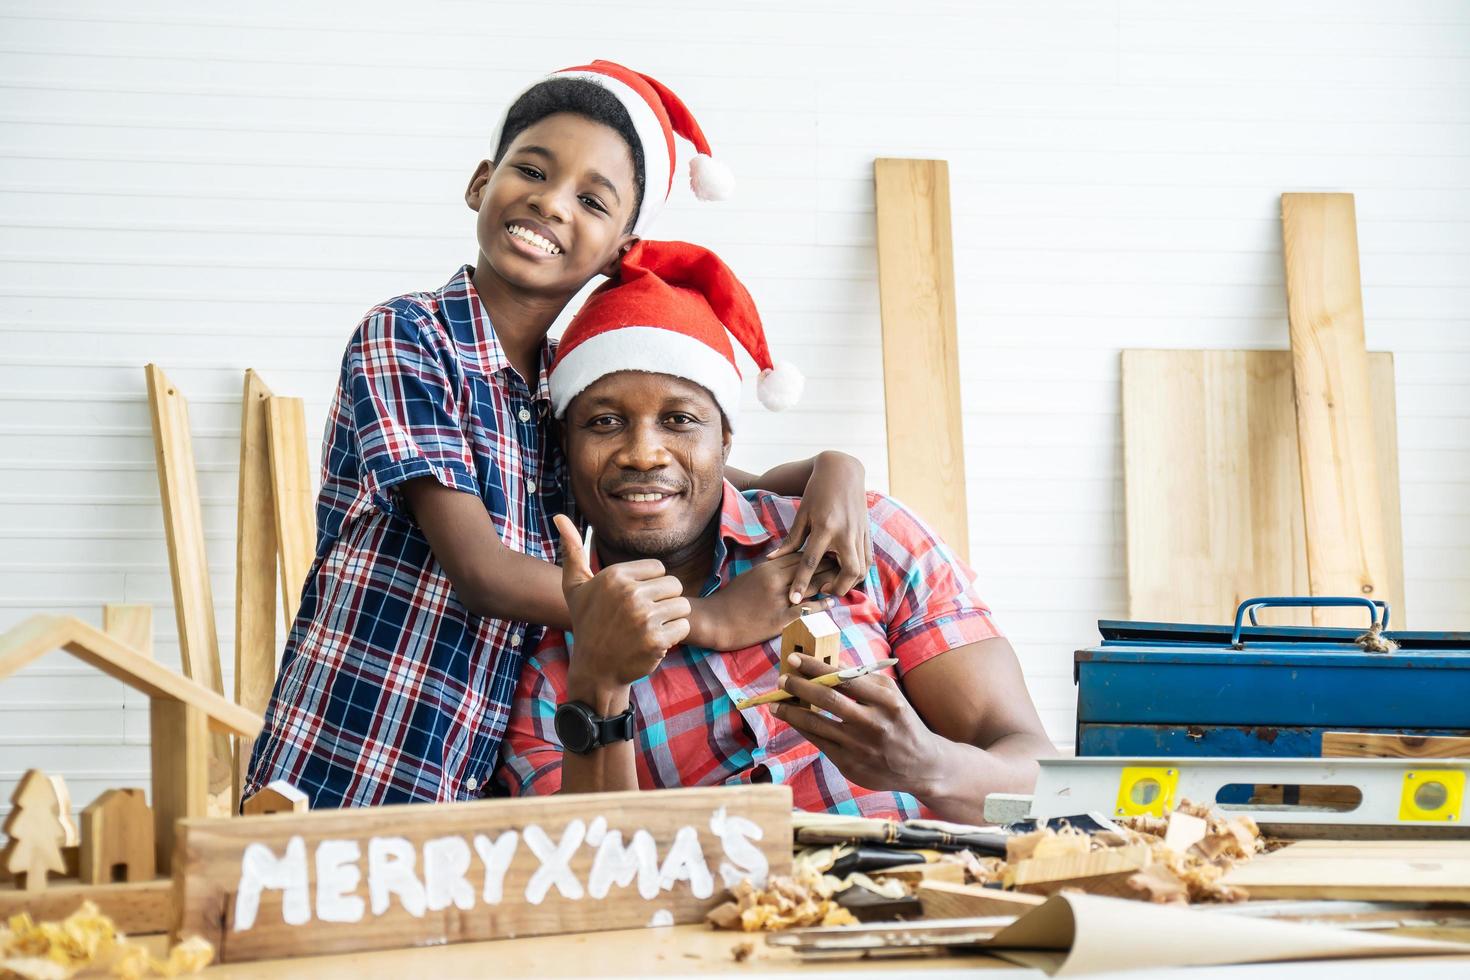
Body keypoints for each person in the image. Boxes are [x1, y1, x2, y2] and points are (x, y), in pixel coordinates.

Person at [244, 62, 873, 809]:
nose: (550, 202)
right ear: (482, 183)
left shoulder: (561, 393)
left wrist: (837, 466)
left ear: (618, 249)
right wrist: (702, 618)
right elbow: (478, 570)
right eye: (532, 171)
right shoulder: (409, 337)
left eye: (591, 199)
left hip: (471, 787)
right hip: (341, 762)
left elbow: (704, 472)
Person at [497, 241, 1055, 821]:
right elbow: (585, 880)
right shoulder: (542, 664)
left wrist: (927, 765)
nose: (643, 454)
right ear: (566, 447)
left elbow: (1039, 777)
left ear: (725, 440)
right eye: (605, 422)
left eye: (680, 420)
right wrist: (599, 687)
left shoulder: (861, 537)